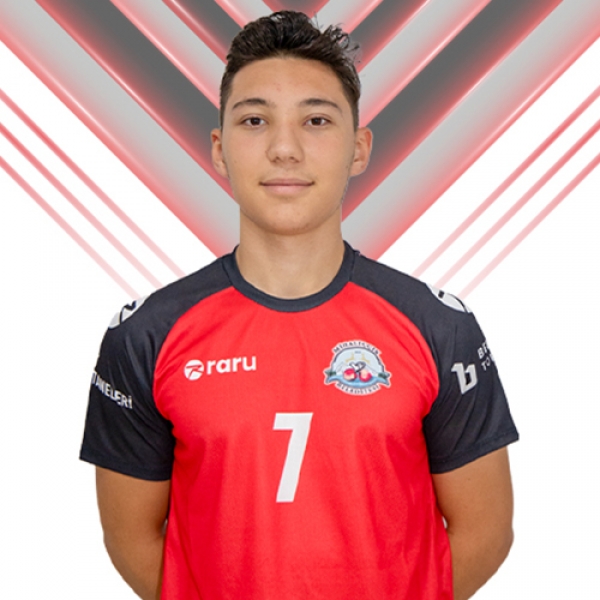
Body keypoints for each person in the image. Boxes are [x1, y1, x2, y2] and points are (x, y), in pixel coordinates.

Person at [80, 11, 518, 600]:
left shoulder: (439, 327)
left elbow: (484, 532)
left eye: (316, 120)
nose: (284, 149)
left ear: (358, 148)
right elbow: (131, 536)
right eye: (254, 120)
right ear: (219, 149)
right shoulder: (146, 336)